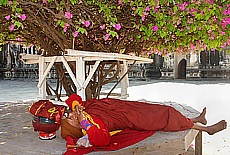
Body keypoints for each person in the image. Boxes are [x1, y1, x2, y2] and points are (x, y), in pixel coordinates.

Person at [61, 94, 227, 154]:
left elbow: (73, 98)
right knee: (165, 114)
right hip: (131, 116)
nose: (70, 115)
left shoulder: (82, 111)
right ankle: (206, 129)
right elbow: (102, 139)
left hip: (126, 106)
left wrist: (77, 107)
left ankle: (197, 120)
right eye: (70, 119)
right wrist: (84, 122)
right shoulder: (91, 125)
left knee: (160, 108)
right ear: (77, 127)